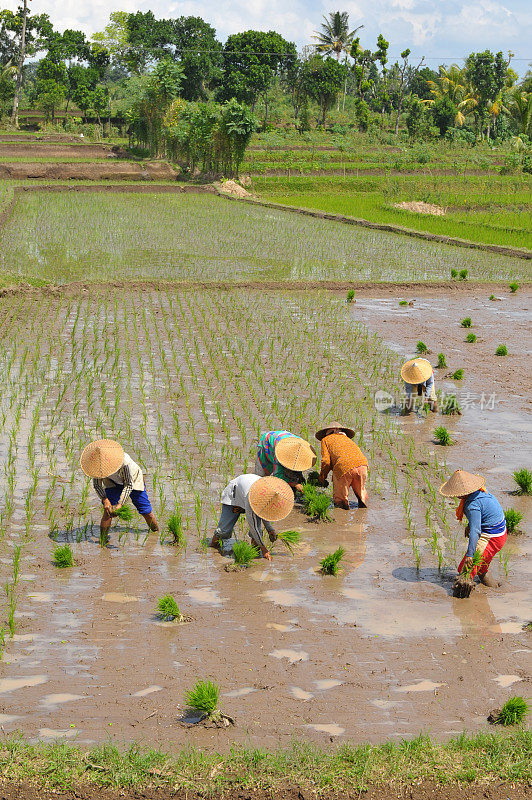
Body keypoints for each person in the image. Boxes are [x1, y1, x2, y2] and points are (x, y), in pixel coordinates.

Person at [440, 469, 507, 596]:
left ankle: (462, 601)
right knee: (481, 567)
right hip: (500, 531)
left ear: (460, 494)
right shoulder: (480, 490)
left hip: (493, 536)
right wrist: (469, 524)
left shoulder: (472, 505)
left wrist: (470, 555)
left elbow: (476, 531)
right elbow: (482, 516)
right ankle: (494, 589)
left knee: (465, 570)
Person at [80, 439, 159, 541]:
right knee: (107, 511)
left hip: (133, 480)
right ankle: (103, 541)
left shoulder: (123, 461)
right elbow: (97, 485)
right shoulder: (96, 466)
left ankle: (156, 533)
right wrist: (105, 500)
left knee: (146, 511)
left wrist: (120, 504)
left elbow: (129, 484)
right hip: (113, 483)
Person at [211, 475, 294, 561]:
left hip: (245, 493)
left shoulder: (269, 493)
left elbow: (264, 513)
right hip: (233, 495)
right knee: (223, 530)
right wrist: (264, 549)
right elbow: (253, 527)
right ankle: (212, 550)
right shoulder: (252, 498)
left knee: (258, 531)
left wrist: (270, 529)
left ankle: (255, 554)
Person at [315, 422, 369, 510]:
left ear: (328, 433)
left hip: (343, 467)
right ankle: (361, 518)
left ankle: (342, 518)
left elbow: (326, 461)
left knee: (341, 499)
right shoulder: (347, 439)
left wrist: (322, 476)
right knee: (360, 493)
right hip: (362, 465)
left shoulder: (326, 440)